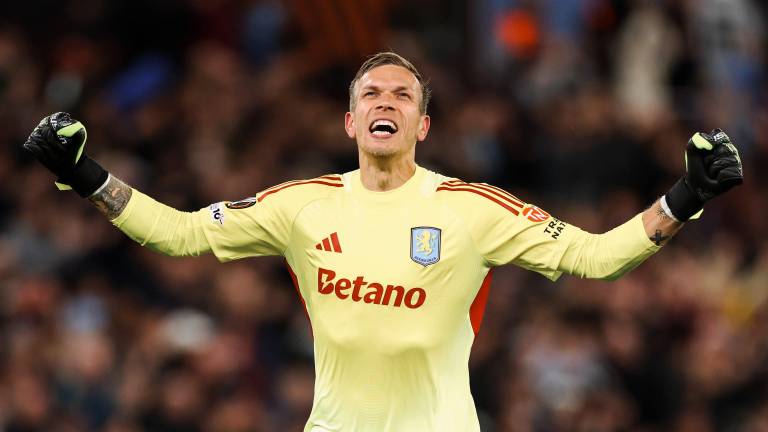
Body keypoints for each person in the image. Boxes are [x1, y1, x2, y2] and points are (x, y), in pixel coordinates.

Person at [22, 52, 743, 431]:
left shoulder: (472, 209)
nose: (386, 104)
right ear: (349, 121)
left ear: (423, 126)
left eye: (403, 96)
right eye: (372, 94)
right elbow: (178, 236)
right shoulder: (301, 206)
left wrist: (688, 197)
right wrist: (83, 175)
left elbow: (595, 257)